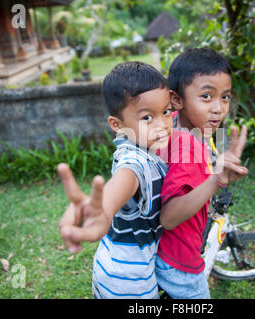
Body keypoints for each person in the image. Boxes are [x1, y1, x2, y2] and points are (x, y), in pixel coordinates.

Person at [57, 61, 172, 299]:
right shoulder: (135, 163)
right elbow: (125, 179)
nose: (162, 124)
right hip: (129, 281)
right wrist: (102, 211)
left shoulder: (138, 142)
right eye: (147, 117)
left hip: (114, 265)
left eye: (166, 112)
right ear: (117, 125)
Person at [156, 48, 248, 299]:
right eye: (207, 96)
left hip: (163, 248)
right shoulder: (188, 146)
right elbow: (169, 218)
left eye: (225, 97)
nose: (219, 108)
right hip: (181, 260)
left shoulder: (174, 122)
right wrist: (217, 179)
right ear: (176, 99)